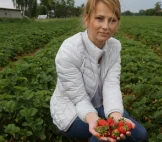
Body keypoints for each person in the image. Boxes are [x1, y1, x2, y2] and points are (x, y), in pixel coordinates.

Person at [50, 0, 148, 141]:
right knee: (102, 136)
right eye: (99, 18)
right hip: (70, 109)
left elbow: (111, 84)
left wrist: (115, 115)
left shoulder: (115, 47)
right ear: (87, 19)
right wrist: (93, 118)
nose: (106, 26)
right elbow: (79, 98)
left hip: (97, 105)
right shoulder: (69, 50)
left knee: (140, 135)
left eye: (112, 20)